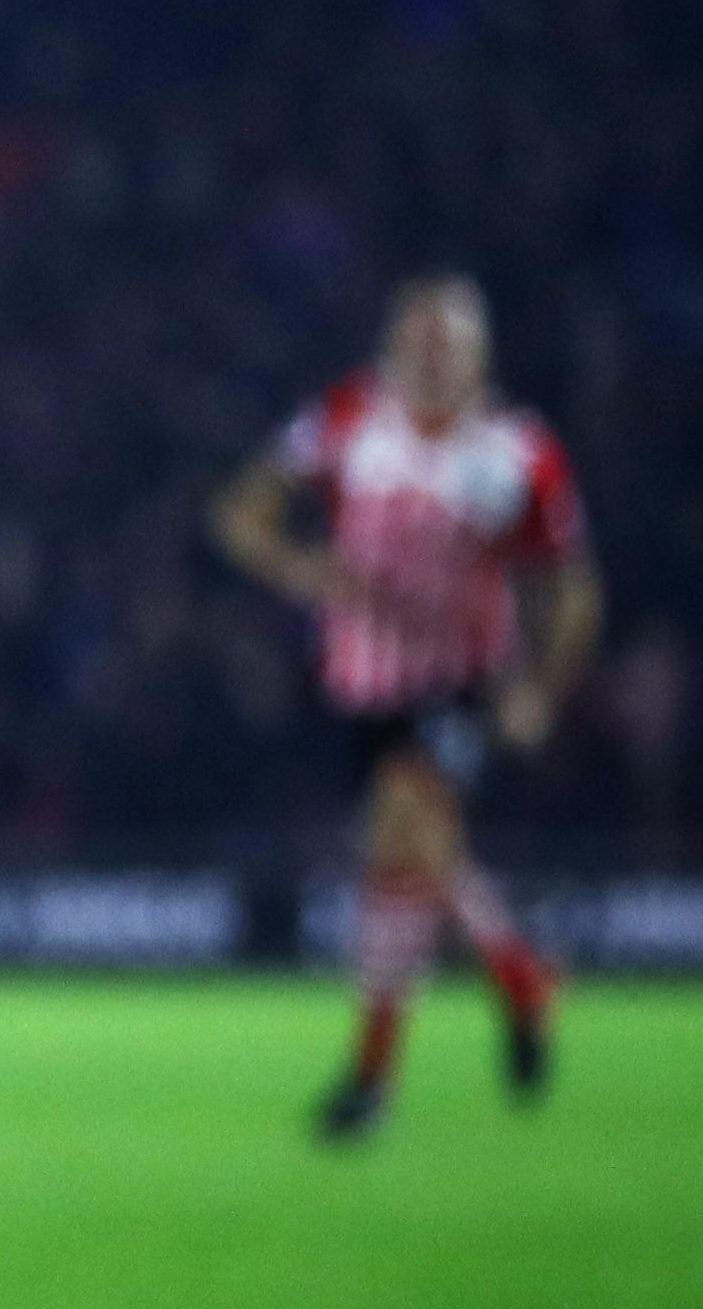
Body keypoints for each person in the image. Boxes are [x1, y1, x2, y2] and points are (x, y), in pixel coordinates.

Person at [211, 276, 601, 1138]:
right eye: (419, 341)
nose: (433, 358)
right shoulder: (348, 416)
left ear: (480, 355)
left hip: (459, 683)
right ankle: (520, 979)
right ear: (392, 345)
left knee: (404, 834)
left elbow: (570, 587)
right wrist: (305, 570)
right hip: (359, 684)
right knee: (413, 862)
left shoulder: (517, 452)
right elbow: (239, 513)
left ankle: (370, 1078)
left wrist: (538, 687)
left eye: (451, 344)